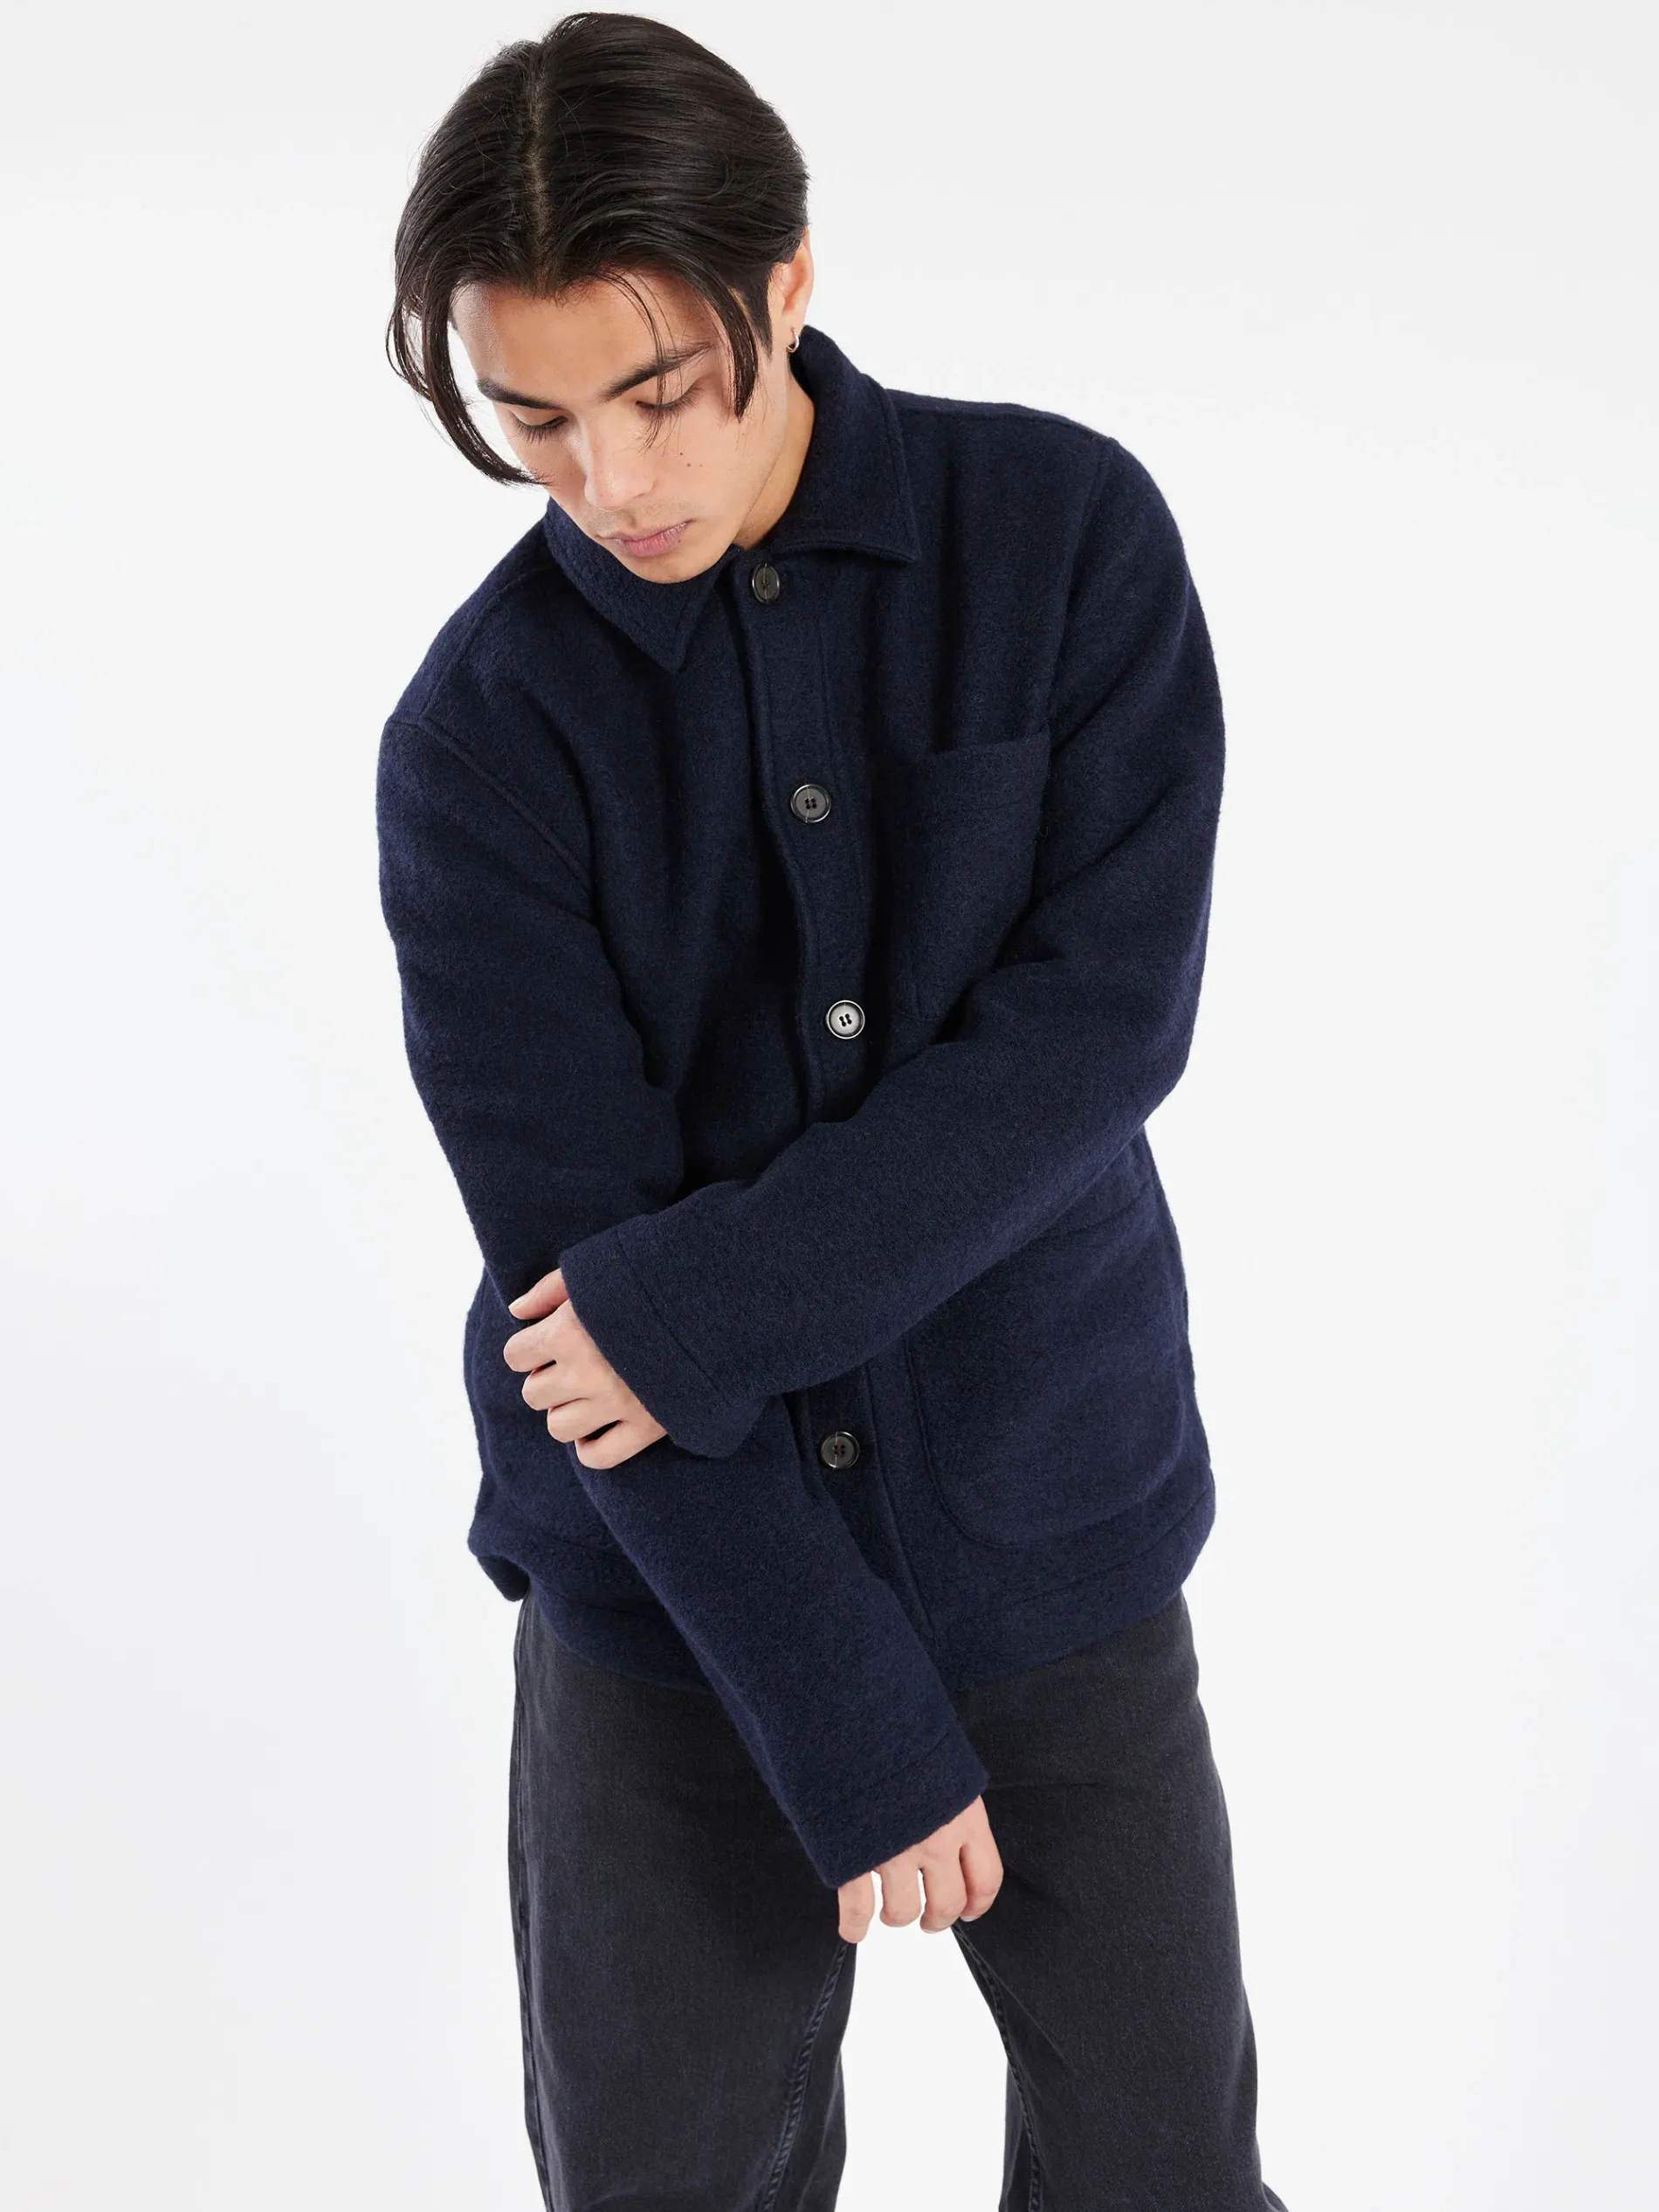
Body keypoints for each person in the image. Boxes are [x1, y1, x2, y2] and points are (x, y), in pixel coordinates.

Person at [376, 12, 1288, 2209]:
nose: (610, 481)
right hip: (670, 1596)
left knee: (1164, 2174)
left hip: (1054, 1532)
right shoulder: (477, 740)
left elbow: (1094, 1037)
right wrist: (841, 1708)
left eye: (656, 390)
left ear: (783, 283)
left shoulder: (1062, 536)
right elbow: (569, 1290)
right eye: (531, 418)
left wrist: (690, 1308)